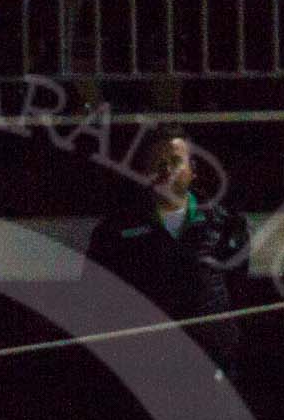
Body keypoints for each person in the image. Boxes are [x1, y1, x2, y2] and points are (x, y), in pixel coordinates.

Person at [83, 129, 249, 379]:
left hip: (211, 366)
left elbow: (238, 287)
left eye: (174, 161)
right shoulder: (115, 231)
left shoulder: (225, 224)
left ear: (193, 169)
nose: (166, 170)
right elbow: (98, 295)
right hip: (148, 369)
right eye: (158, 164)